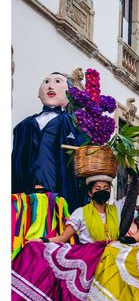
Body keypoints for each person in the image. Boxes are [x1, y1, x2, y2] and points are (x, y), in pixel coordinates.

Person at [11, 175, 138, 301]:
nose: (102, 190)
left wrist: (133, 171)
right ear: (89, 192)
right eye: (97, 187)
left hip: (111, 264)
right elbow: (63, 238)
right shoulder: (80, 213)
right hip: (88, 264)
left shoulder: (117, 210)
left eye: (106, 187)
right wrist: (41, 240)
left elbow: (134, 194)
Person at [12, 72, 87, 211]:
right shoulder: (23, 126)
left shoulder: (75, 125)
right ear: (38, 93)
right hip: (25, 197)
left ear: (69, 93)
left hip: (59, 198)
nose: (51, 86)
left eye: (58, 81)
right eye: (46, 82)